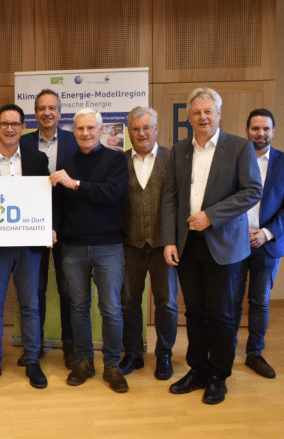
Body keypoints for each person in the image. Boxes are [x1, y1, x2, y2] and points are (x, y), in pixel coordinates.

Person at [161, 88, 262, 404]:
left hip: (224, 244)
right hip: (188, 244)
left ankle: (219, 375)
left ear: (218, 113)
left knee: (220, 313)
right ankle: (198, 369)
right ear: (189, 117)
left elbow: (252, 191)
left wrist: (211, 216)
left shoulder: (240, 147)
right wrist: (169, 240)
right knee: (194, 312)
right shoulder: (179, 150)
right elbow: (170, 198)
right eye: (196, 112)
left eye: (208, 111)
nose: (202, 117)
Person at [0, 104, 50, 390]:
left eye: (15, 124)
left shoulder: (37, 159)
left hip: (29, 246)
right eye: (4, 123)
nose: (9, 129)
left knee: (30, 305)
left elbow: (48, 198)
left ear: (23, 127)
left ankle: (32, 361)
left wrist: (49, 227)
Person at [51, 108, 130, 393]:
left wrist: (75, 184)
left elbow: (110, 193)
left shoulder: (117, 159)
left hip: (109, 246)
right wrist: (53, 228)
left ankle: (112, 365)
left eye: (91, 128)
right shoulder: (66, 164)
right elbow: (58, 205)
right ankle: (84, 360)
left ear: (101, 130)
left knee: (111, 308)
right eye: (80, 128)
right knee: (78, 306)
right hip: (72, 247)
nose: (85, 133)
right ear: (73, 131)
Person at [233, 109, 284, 379]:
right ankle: (227, 349)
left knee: (260, 300)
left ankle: (254, 353)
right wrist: (240, 230)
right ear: (247, 130)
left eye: (266, 129)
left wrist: (266, 233)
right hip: (235, 241)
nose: (260, 133)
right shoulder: (235, 159)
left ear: (273, 131)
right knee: (231, 299)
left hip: (268, 243)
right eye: (255, 128)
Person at [118, 107, 179, 380]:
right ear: (129, 132)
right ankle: (133, 353)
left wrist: (173, 240)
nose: (141, 133)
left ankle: (164, 353)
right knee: (128, 302)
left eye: (146, 128)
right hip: (129, 245)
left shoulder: (173, 158)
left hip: (163, 246)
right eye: (135, 129)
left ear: (156, 129)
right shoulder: (118, 161)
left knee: (167, 303)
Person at [20, 89, 78, 369]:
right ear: (35, 113)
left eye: (52, 108)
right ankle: (36, 344)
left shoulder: (73, 141)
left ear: (59, 112)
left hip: (67, 224)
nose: (47, 113)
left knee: (68, 289)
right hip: (30, 222)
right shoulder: (22, 142)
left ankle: (70, 346)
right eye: (42, 108)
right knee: (36, 287)